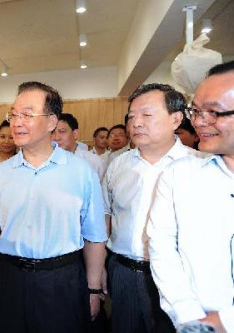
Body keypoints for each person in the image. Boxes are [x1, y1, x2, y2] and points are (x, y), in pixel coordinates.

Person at [0, 81, 107, 332]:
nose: (16, 122)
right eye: (13, 114)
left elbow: (94, 236)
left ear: (51, 122)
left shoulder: (80, 171)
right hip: (10, 277)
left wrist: (94, 289)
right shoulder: (2, 172)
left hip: (62, 278)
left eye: (27, 114)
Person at [102, 83, 205, 333]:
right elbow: (106, 214)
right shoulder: (118, 165)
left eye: (147, 115)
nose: (136, 123)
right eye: (131, 117)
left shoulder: (200, 167)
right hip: (123, 271)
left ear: (176, 118)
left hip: (180, 279)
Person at [147, 61, 234, 333]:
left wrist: (225, 322)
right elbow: (162, 248)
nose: (198, 121)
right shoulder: (180, 175)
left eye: (214, 112)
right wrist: (193, 320)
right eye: (195, 110)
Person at [53, 113, 107, 181]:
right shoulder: (47, 163)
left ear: (75, 134)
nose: (56, 137)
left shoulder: (94, 162)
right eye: (52, 132)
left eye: (62, 131)